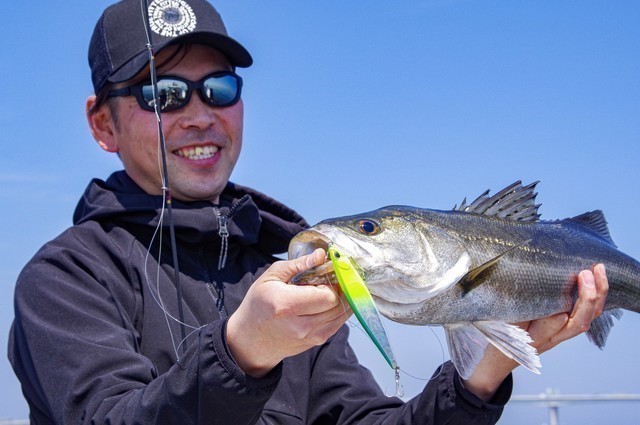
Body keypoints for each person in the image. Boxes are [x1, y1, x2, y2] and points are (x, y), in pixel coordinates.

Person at [8, 0, 609, 424]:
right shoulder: (63, 279)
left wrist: (481, 377)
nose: (200, 114)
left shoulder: (283, 275)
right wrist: (242, 354)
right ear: (103, 124)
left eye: (219, 88)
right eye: (162, 94)